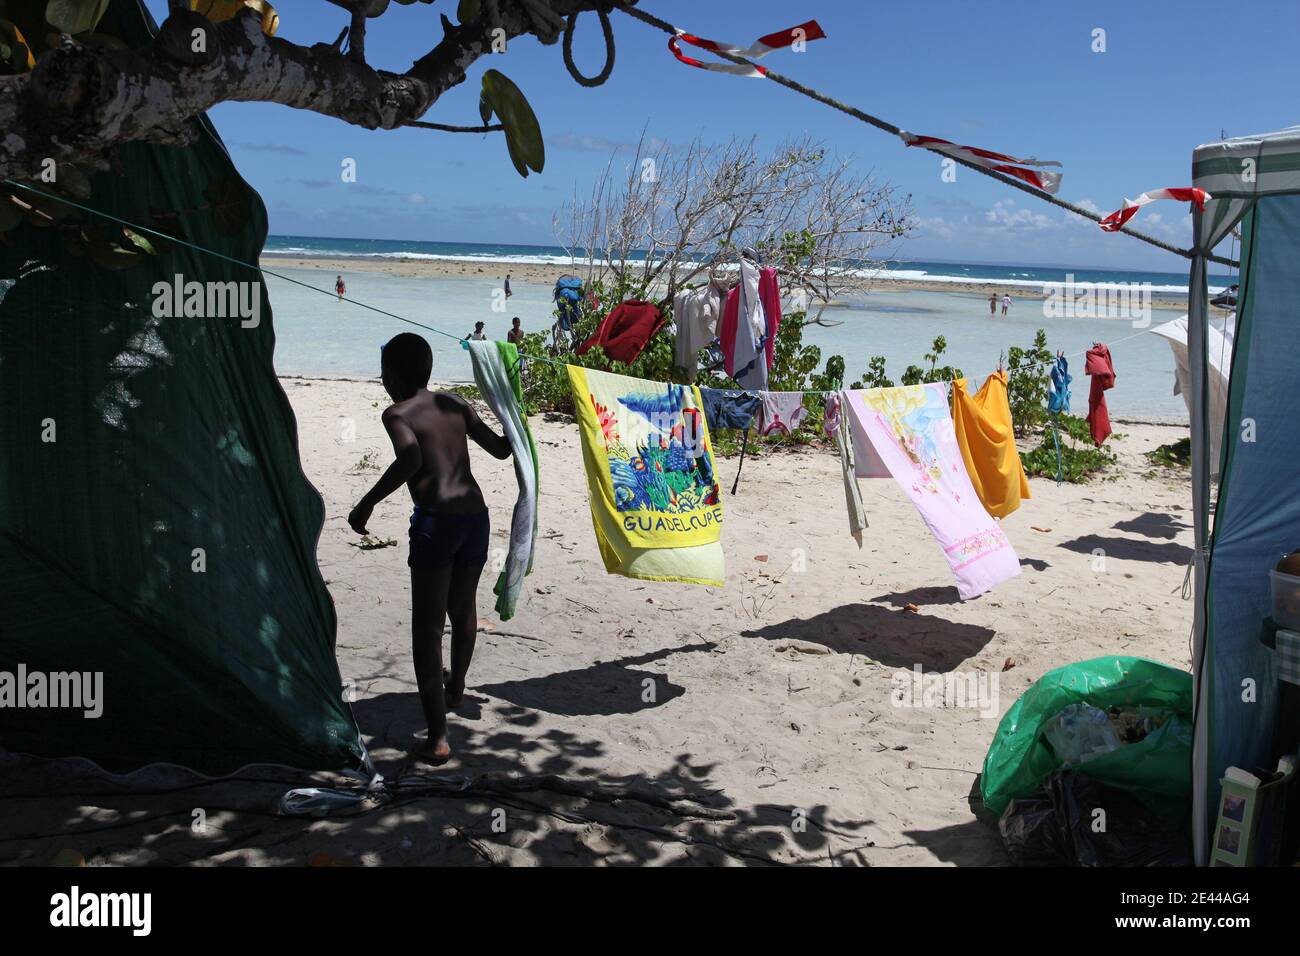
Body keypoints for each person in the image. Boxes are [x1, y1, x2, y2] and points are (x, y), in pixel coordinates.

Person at [348, 332, 512, 764]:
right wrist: (516, 420)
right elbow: (500, 450)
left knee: (426, 630)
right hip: (475, 518)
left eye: (384, 371)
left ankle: (437, 738)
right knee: (463, 611)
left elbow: (411, 460)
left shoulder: (396, 412)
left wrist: (366, 503)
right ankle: (456, 687)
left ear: (394, 376)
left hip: (436, 522)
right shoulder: (456, 404)